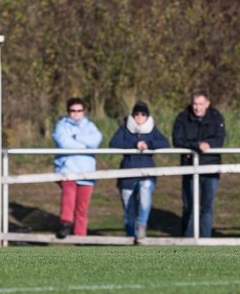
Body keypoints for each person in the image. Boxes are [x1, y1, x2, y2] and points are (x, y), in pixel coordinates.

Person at [108, 102, 168, 244]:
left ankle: (141, 226)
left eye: (143, 114)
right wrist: (135, 144)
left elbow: (165, 143)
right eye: (137, 114)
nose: (139, 117)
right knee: (129, 211)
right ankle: (131, 239)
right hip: (127, 174)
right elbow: (113, 144)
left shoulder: (152, 130)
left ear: (147, 116)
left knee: (145, 193)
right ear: (132, 115)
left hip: (147, 172)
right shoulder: (124, 129)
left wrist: (149, 145)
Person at [172, 89, 226, 238]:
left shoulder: (216, 117)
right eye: (195, 104)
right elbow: (177, 141)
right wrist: (196, 145)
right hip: (190, 167)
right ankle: (188, 241)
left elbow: (220, 139)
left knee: (207, 206)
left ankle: (205, 240)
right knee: (190, 206)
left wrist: (208, 144)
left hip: (211, 167)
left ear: (207, 104)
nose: (198, 107)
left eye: (201, 104)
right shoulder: (182, 118)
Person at [51, 97, 103, 239]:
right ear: (68, 112)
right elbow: (64, 143)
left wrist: (76, 136)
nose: (76, 114)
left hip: (87, 171)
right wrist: (85, 146)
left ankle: (81, 236)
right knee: (69, 196)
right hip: (67, 168)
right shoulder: (61, 125)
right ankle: (66, 224)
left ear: (84, 112)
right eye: (73, 111)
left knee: (82, 207)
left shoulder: (90, 126)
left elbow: (96, 140)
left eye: (79, 111)